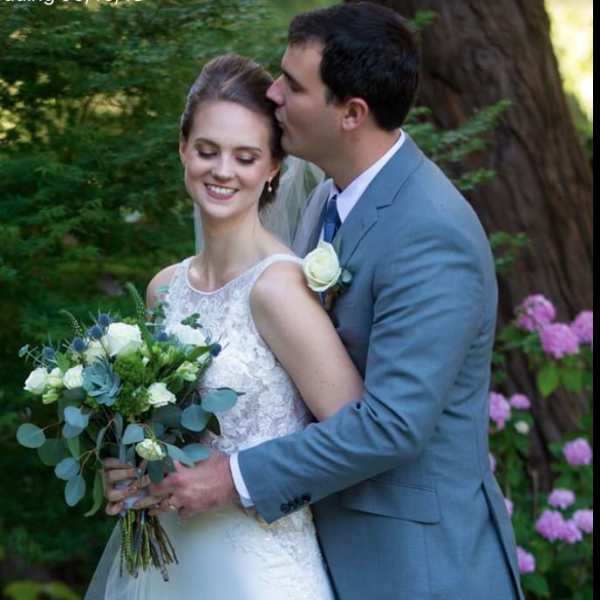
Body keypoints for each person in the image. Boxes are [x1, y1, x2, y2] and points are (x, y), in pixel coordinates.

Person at [104, 3, 526, 599]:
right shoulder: (326, 203)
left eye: (293, 85)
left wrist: (233, 478)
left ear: (352, 113)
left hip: (415, 567)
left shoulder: (431, 232)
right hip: (300, 546)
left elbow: (392, 425)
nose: (273, 94)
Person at [88, 53, 363, 599]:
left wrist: (237, 479)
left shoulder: (279, 288)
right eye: (207, 150)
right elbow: (157, 431)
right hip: (167, 562)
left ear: (273, 167)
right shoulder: (164, 289)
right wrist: (124, 466)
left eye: (245, 156)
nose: (222, 171)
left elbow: (355, 432)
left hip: (259, 565)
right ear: (182, 148)